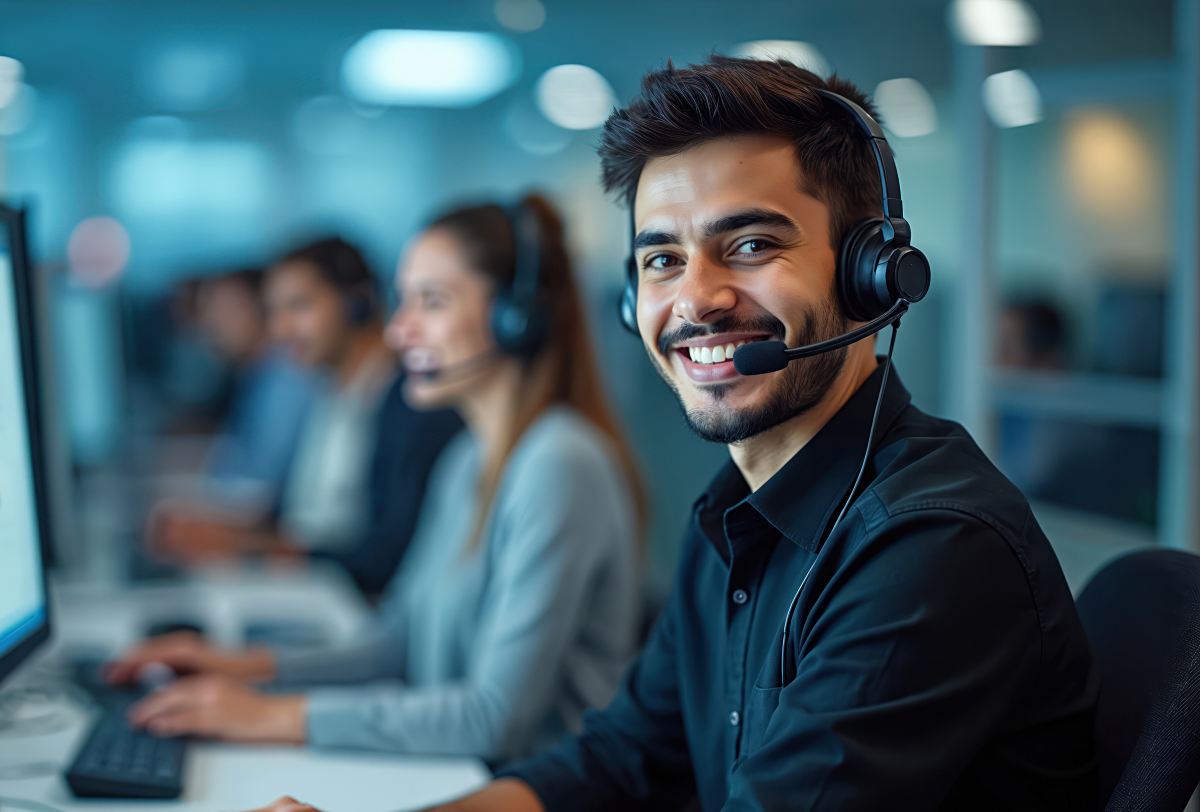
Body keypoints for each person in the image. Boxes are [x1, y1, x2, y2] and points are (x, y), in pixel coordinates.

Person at [247, 57, 1098, 811]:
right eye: (661, 260)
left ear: (867, 276)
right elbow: (617, 761)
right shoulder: (736, 514)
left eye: (752, 243)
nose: (695, 301)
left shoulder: (930, 548)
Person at [107, 195, 645, 765]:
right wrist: (242, 668)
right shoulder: (469, 460)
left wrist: (271, 716)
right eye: (403, 300)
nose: (398, 330)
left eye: (431, 301)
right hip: (460, 779)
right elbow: (398, 645)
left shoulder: (560, 464)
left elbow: (491, 720)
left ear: (515, 318)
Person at [150, 237, 462, 594]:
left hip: (354, 605)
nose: (281, 330)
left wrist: (249, 547)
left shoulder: (409, 405)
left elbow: (383, 558)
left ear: (356, 303)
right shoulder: (326, 393)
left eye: (298, 307)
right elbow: (296, 518)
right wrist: (224, 532)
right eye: (274, 313)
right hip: (312, 589)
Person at [193, 267, 316, 508]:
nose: (213, 325)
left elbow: (262, 484)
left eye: (226, 311)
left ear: (259, 311)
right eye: (207, 312)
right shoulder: (253, 377)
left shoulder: (285, 379)